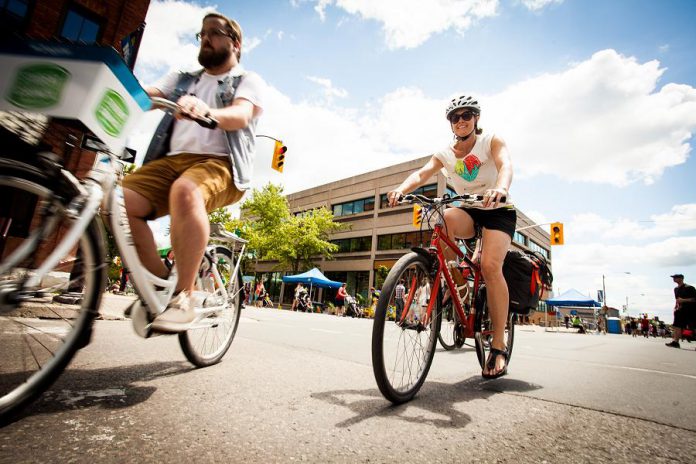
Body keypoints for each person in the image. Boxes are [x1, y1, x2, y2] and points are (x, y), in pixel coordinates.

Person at [122, 12, 264, 332]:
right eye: (201, 34)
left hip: (220, 165)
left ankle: (184, 295)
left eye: (214, 33)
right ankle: (160, 285)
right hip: (170, 163)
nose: (206, 39)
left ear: (235, 44)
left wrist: (208, 112)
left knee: (185, 191)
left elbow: (241, 114)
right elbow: (147, 96)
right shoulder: (183, 78)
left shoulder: (246, 80)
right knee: (117, 201)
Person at [387, 95, 513, 379]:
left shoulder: (491, 140)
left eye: (466, 115)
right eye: (455, 117)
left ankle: (499, 345)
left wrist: (501, 187)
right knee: (440, 219)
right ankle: (457, 283)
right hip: (468, 209)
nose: (461, 121)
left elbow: (505, 165)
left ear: (476, 118)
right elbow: (421, 174)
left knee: (491, 267)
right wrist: (401, 189)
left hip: (496, 209)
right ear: (450, 124)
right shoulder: (445, 153)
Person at [666, 274, 696, 348]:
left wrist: (683, 300)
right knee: (677, 326)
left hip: (690, 310)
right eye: (673, 278)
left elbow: (694, 299)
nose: (674, 279)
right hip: (679, 310)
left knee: (693, 326)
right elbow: (677, 300)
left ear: (681, 278)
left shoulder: (689, 288)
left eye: (675, 277)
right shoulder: (675, 289)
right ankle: (675, 342)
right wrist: (675, 308)